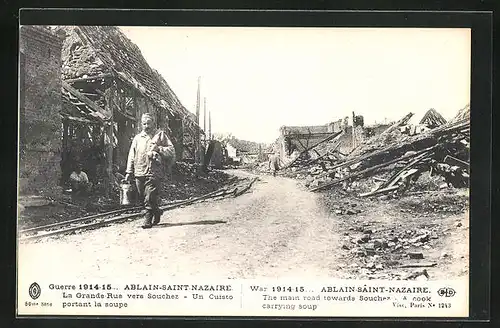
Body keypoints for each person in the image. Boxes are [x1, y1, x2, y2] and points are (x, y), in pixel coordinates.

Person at [125, 113, 175, 229]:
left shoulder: (160, 135)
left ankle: (147, 220)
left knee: (150, 196)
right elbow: (131, 155)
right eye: (144, 123)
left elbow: (171, 151)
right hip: (139, 171)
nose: (146, 126)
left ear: (153, 123)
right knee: (143, 196)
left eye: (148, 123)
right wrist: (129, 172)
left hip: (154, 171)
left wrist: (159, 148)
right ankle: (156, 211)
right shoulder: (137, 138)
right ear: (141, 124)